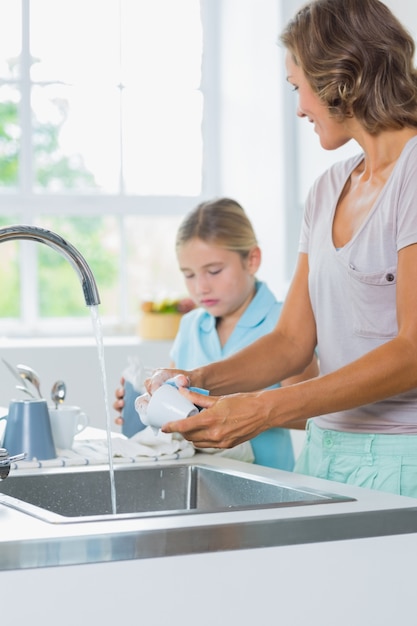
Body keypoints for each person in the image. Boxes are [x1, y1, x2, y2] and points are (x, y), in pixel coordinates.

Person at [144, 0, 417, 498]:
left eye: (299, 87)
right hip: (324, 452)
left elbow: (412, 350)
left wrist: (264, 408)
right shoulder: (327, 188)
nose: (299, 108)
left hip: (404, 456)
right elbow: (293, 340)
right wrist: (196, 378)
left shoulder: (414, 175)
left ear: (341, 74)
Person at [114, 197, 318, 469]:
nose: (201, 287)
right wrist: (146, 404)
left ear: (252, 260)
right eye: (189, 274)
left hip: (269, 479)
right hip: (200, 474)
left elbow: (310, 414)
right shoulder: (190, 326)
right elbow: (177, 398)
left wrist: (245, 408)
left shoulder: (284, 324)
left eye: (214, 271)